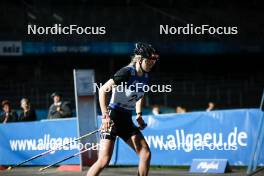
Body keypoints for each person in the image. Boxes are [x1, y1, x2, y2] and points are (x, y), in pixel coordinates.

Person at [87, 42, 159, 176]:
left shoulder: (145, 76)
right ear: (139, 59)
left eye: (153, 61)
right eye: (148, 61)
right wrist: (105, 117)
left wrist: (139, 115)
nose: (151, 63)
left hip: (126, 119)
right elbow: (103, 90)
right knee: (104, 160)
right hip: (113, 117)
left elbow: (139, 96)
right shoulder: (126, 72)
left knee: (145, 153)